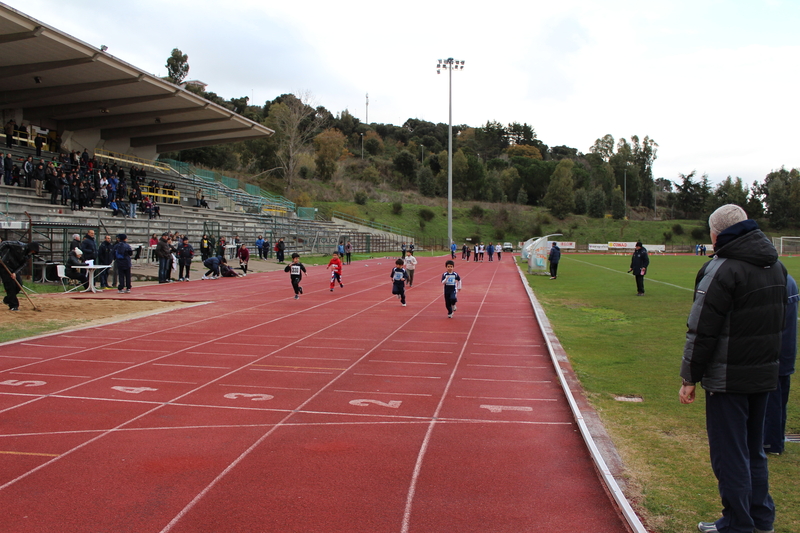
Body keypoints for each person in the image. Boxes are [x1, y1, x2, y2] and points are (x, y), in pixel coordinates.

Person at [679, 204, 786, 533]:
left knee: (730, 454)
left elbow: (701, 330)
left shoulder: (722, 269)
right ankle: (760, 517)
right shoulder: (776, 266)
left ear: (716, 233)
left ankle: (739, 523)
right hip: (764, 375)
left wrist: (689, 377)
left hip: (728, 379)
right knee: (754, 450)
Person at [763, 274, 798, 456]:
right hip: (785, 351)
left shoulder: (775, 281)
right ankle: (774, 441)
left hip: (775, 352)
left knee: (772, 400)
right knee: (779, 398)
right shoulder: (787, 279)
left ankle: (771, 443)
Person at [0, 241, 39, 311]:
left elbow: (23, 265)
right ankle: (13, 306)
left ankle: (8, 299)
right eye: (33, 251)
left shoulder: (28, 255)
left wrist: (15, 272)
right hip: (5, 266)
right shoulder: (19, 246)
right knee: (10, 287)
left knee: (19, 285)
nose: (33, 252)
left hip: (14, 269)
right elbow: (5, 243)